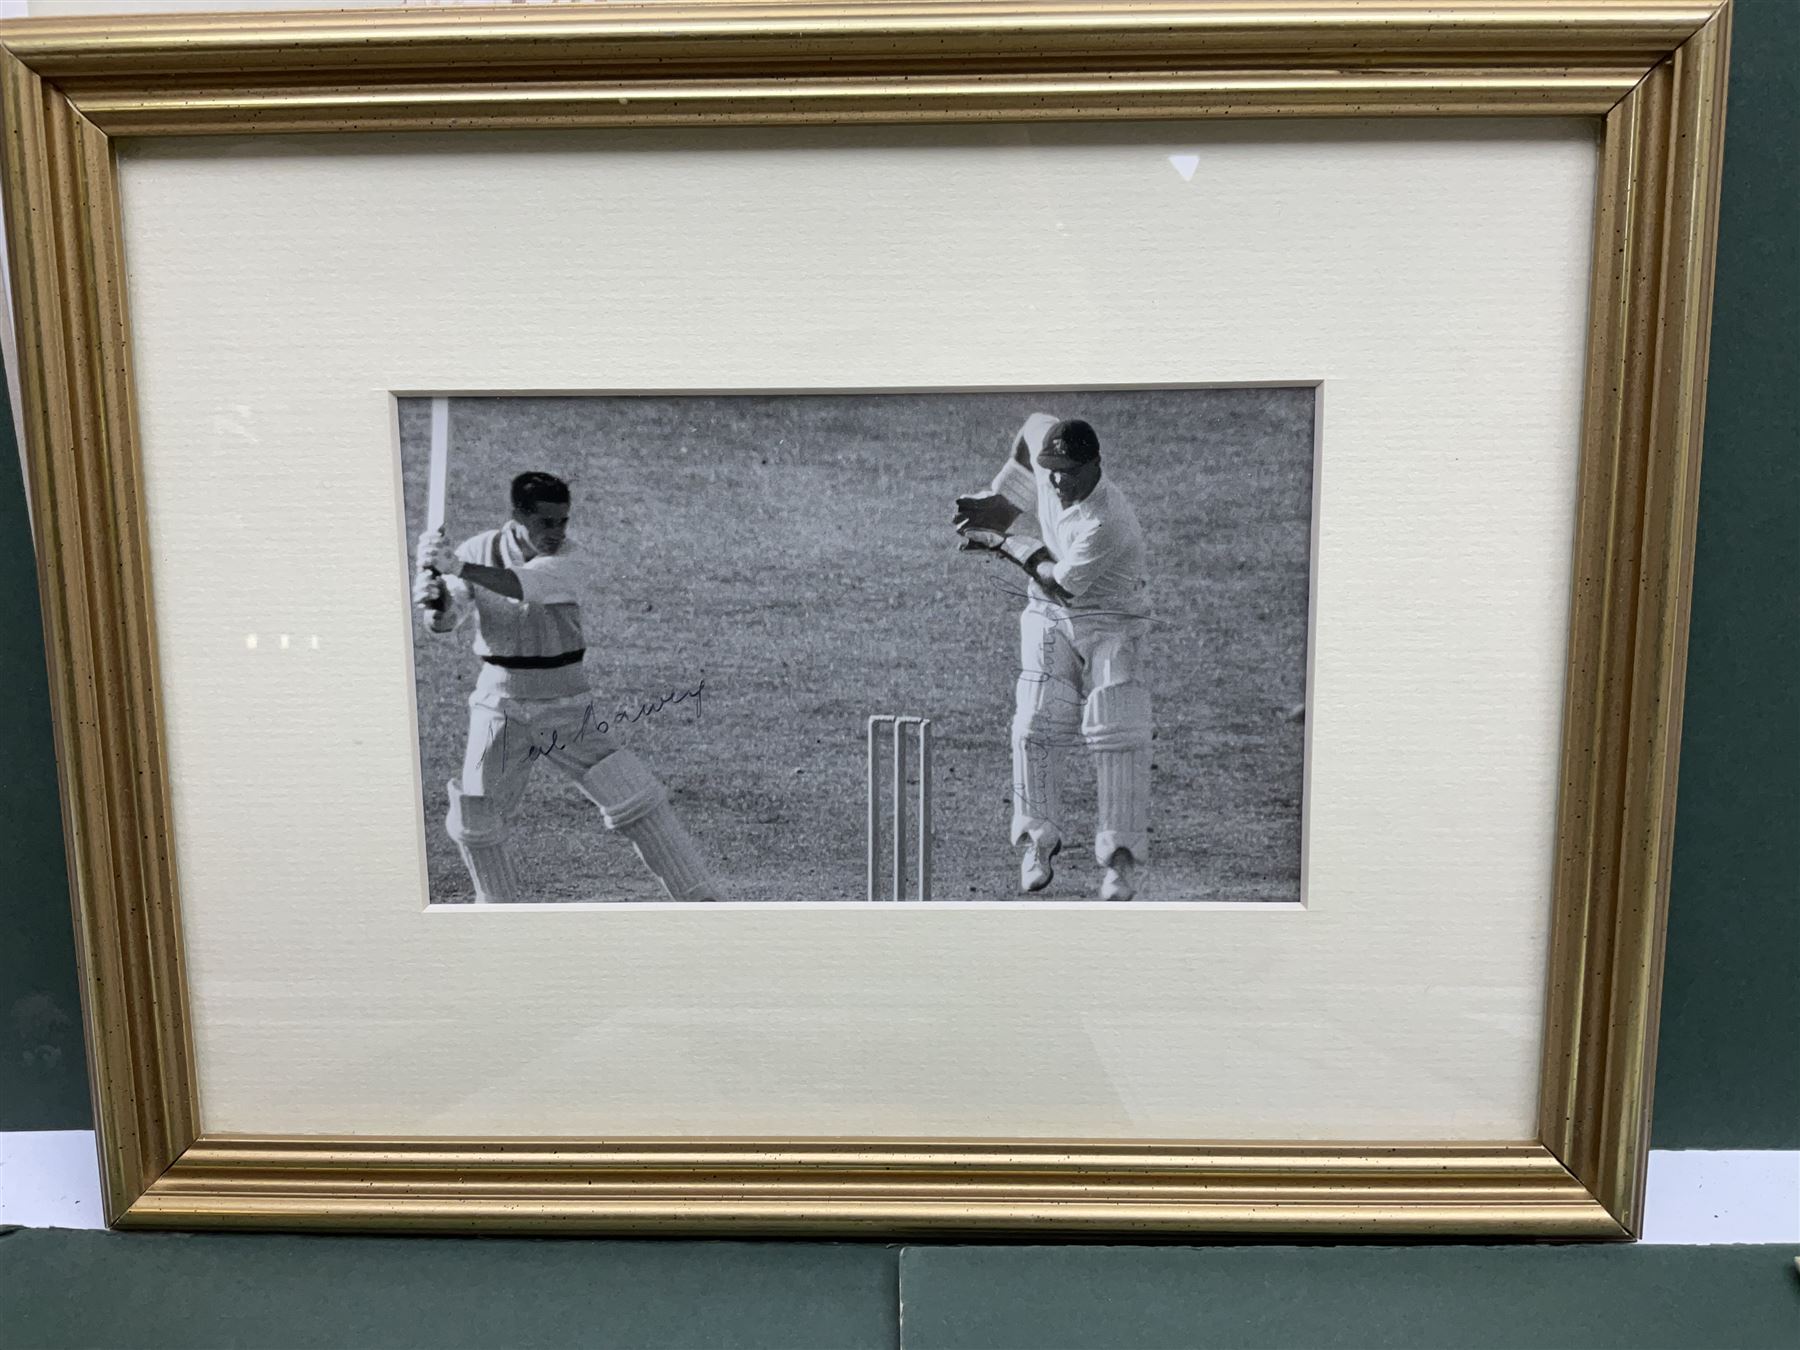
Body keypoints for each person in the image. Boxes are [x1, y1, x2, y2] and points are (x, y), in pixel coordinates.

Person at [413, 471, 721, 903]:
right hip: (498, 704)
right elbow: (445, 622)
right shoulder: (476, 550)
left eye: (563, 521)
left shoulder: (572, 558)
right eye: (546, 523)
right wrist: (435, 600)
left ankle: (707, 903)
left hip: (566, 707)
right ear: (517, 516)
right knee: (477, 819)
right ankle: (496, 924)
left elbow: (530, 587)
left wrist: (456, 568)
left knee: (636, 799)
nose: (557, 533)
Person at [954, 415, 1152, 901]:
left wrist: (1006, 540)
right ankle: (1036, 844)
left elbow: (1060, 582)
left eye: (1069, 472)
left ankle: (1119, 864)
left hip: (1111, 619)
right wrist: (1006, 498)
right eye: (1052, 470)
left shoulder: (1108, 522)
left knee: (1115, 731)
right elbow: (1028, 431)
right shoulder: (1048, 458)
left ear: (1094, 466)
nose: (1058, 481)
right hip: (1049, 615)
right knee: (1034, 721)